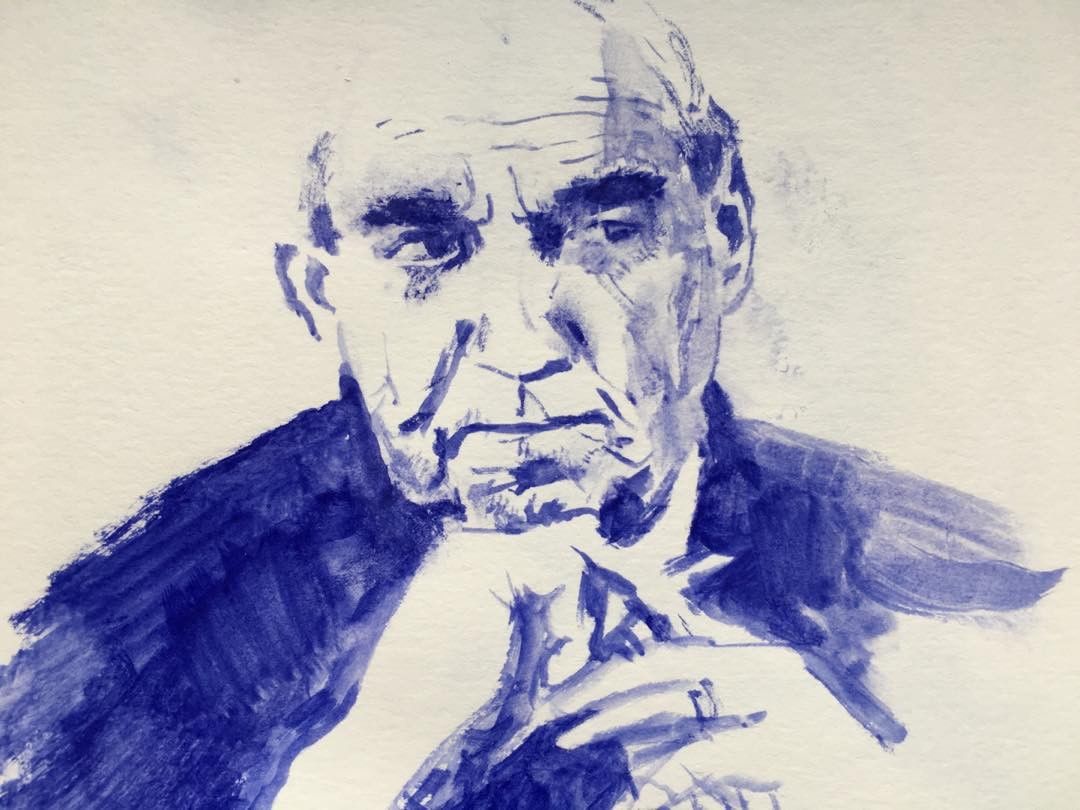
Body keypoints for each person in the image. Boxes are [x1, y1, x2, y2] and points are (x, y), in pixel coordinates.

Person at [0, 2, 1061, 808]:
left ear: (725, 241)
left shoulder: (979, 599)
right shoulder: (113, 645)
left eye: (608, 233)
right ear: (320, 292)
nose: (517, 343)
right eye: (424, 248)